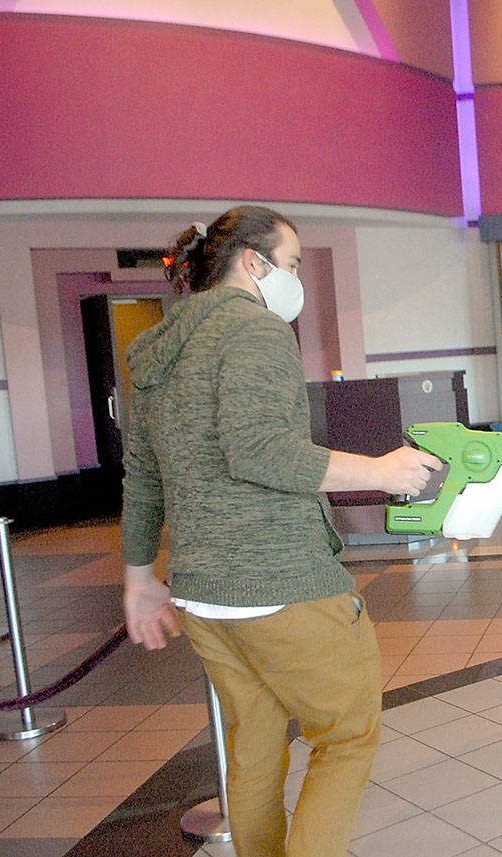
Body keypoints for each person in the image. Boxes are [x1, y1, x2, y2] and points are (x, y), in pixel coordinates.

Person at [120, 205, 440, 857]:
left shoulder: (157, 352)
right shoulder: (255, 331)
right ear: (252, 262)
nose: (294, 277)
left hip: (202, 592)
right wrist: (382, 470)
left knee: (254, 740)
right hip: (280, 579)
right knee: (347, 734)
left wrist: (138, 582)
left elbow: (143, 476)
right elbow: (260, 450)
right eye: (290, 263)